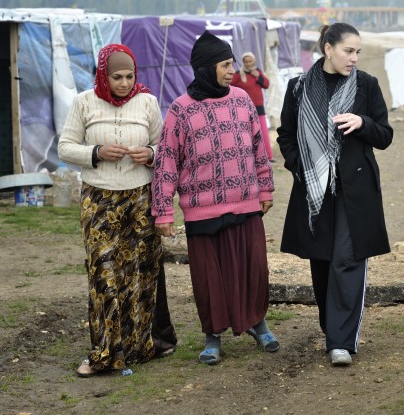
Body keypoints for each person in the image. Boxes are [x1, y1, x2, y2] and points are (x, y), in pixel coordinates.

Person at [151, 31, 277, 365]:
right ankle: (213, 337)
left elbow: (258, 149)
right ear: (206, 68)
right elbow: (166, 162)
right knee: (210, 279)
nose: (230, 70)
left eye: (231, 63)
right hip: (202, 211)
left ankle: (257, 323)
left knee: (253, 269)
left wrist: (266, 188)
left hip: (246, 203)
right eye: (224, 64)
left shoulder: (241, 99)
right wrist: (163, 212)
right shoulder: (180, 110)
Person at [276, 23, 393, 367]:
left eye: (358, 52)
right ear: (328, 47)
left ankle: (340, 342)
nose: (354, 58)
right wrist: (300, 166)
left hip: (354, 191)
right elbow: (285, 134)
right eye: (348, 51)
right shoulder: (298, 87)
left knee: (348, 258)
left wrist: (363, 123)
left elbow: (385, 135)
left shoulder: (367, 86)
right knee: (323, 261)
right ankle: (332, 329)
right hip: (314, 190)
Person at [58, 44, 176, 377]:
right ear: (103, 76)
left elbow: (164, 146)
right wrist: (96, 151)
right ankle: (103, 353)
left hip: (140, 198)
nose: (124, 83)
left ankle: (139, 347)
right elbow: (65, 147)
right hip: (99, 199)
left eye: (129, 76)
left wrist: (149, 154)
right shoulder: (83, 103)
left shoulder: (148, 102)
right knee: (103, 274)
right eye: (117, 77)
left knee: (139, 273)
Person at [231, 52, 273, 160]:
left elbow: (267, 84)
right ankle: (250, 156)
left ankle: (268, 156)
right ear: (243, 62)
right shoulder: (238, 74)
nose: (248, 63)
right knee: (247, 132)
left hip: (259, 107)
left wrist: (258, 76)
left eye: (250, 61)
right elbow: (229, 87)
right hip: (244, 108)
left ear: (253, 61)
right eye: (246, 61)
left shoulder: (257, 72)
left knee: (263, 131)